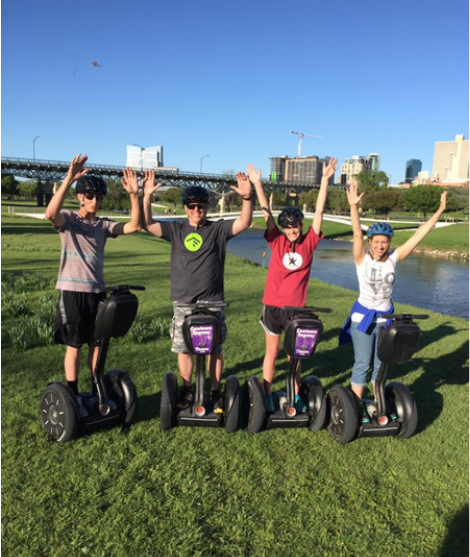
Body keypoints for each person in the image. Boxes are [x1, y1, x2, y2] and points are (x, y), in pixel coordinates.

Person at [142, 169, 253, 409]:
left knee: (215, 348)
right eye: (191, 206)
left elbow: (244, 222)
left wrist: (247, 198)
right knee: (184, 348)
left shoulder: (218, 230)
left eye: (200, 206)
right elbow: (148, 224)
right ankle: (188, 390)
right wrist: (147, 197)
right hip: (184, 301)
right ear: (185, 208)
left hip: (213, 301)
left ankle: (214, 392)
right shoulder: (176, 231)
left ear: (206, 207)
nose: (196, 210)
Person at [340, 183, 447, 420]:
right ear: (370, 242)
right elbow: (357, 233)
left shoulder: (394, 259)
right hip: (363, 318)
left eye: (384, 242)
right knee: (362, 363)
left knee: (381, 365)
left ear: (389, 243)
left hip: (387, 319)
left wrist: (439, 211)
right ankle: (355, 408)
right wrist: (353, 207)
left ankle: (379, 406)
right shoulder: (361, 259)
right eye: (376, 242)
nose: (380, 246)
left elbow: (419, 235)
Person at [45, 154, 141, 416]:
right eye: (90, 196)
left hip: (98, 293)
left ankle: (95, 390)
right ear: (80, 197)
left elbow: (134, 225)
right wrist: (68, 179)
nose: (95, 201)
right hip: (72, 292)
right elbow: (49, 213)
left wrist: (135, 194)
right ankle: (73, 396)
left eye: (98, 197)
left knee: (97, 345)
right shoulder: (68, 220)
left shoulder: (102, 225)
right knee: (74, 346)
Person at [248, 158, 338, 412]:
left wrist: (324, 180)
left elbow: (319, 213)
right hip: (273, 307)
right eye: (287, 227)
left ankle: (295, 394)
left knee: (294, 356)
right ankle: (266, 394)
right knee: (272, 353)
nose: (291, 231)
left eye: (295, 226)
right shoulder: (275, 240)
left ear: (301, 226)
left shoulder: (310, 243)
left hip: (296, 309)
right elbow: (266, 212)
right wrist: (257, 185)